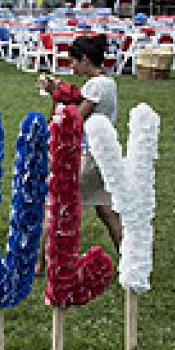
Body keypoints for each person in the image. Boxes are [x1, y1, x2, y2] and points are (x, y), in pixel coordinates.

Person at [37, 35, 124, 251]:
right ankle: (129, 258)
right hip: (102, 155)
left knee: (53, 204)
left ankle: (36, 262)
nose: (72, 66)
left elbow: (75, 117)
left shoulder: (95, 86)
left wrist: (55, 95)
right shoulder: (108, 81)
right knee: (106, 210)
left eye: (73, 61)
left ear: (85, 59)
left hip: (86, 156)